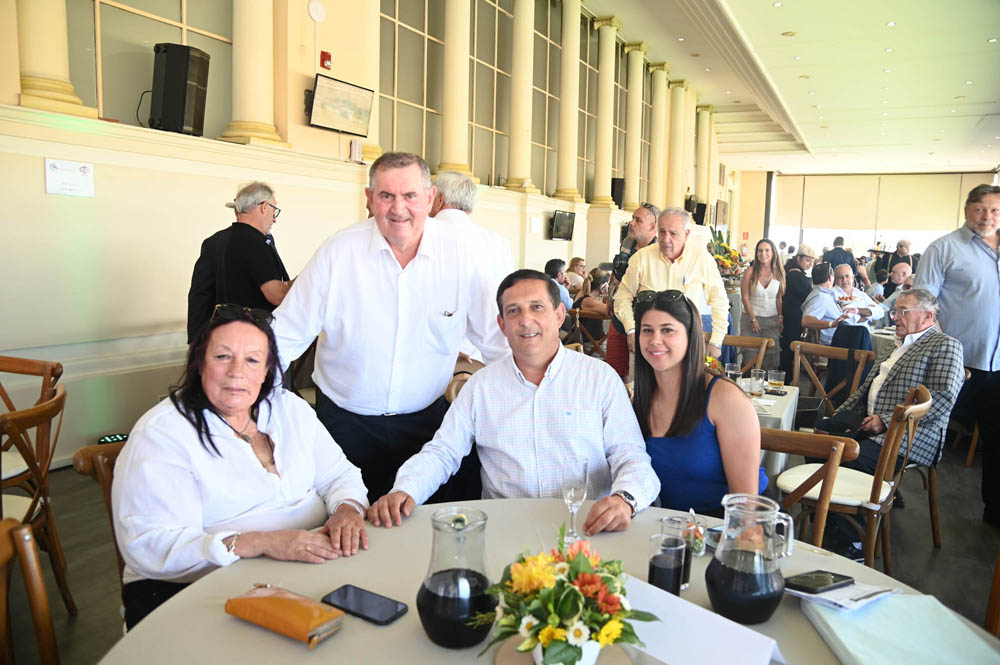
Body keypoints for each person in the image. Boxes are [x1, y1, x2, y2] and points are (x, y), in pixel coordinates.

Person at [112, 305, 369, 629]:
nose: (237, 372)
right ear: (199, 363)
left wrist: (347, 510)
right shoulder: (163, 434)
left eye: (252, 360)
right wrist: (262, 541)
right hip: (194, 588)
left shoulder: (289, 409)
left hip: (306, 571)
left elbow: (339, 475)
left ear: (267, 370)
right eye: (223, 357)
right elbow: (150, 545)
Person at [271, 152, 507, 503]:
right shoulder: (339, 252)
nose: (399, 208)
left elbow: (497, 341)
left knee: (425, 526)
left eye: (410, 195)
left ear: (430, 198)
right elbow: (285, 336)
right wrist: (253, 406)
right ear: (369, 199)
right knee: (348, 526)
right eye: (386, 196)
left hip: (428, 430)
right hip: (343, 427)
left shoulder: (460, 255)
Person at [367, 270, 660, 535]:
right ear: (502, 324)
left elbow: (630, 455)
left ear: (559, 315)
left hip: (586, 530)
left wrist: (625, 499)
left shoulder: (599, 379)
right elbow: (443, 452)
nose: (525, 320)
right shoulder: (481, 387)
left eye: (537, 307)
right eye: (513, 311)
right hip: (505, 532)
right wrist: (405, 490)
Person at [814, 290, 964, 554]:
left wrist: (885, 422)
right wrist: (837, 417)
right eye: (895, 311)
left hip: (910, 434)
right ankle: (829, 518)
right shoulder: (896, 344)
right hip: (868, 422)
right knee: (814, 440)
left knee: (846, 458)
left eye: (903, 312)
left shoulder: (945, 345)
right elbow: (864, 391)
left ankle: (853, 540)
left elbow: (942, 400)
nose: (894, 317)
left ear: (927, 316)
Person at [631, 290, 764, 516]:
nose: (655, 340)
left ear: (691, 336)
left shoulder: (725, 399)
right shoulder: (640, 400)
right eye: (647, 330)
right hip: (671, 526)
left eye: (667, 330)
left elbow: (745, 505)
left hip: (730, 524)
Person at [914, 184, 1000, 525]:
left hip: (997, 366)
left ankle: (995, 512)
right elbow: (922, 307)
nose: (987, 217)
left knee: (997, 442)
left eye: (995, 210)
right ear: (966, 211)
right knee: (916, 429)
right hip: (956, 364)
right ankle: (881, 491)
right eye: (980, 209)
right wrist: (939, 352)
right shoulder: (944, 248)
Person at [614, 207, 729, 360]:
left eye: (673, 233)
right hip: (648, 345)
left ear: (686, 234)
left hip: (687, 344)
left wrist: (716, 341)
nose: (666, 239)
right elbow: (622, 297)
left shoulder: (702, 259)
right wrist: (631, 329)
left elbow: (719, 301)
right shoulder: (641, 258)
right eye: (662, 232)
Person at [186, 182, 291, 343]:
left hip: (262, 330)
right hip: (244, 333)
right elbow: (200, 293)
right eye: (273, 211)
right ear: (264, 207)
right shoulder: (217, 242)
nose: (274, 219)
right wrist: (195, 340)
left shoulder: (264, 240)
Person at [430, 170, 515, 359]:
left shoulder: (424, 235)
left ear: (439, 199)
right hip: (496, 352)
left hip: (443, 355)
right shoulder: (498, 242)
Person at [606, 203, 660, 378]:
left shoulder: (660, 251)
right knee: (613, 370)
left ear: (652, 226)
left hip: (646, 318)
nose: (631, 223)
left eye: (638, 220)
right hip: (620, 314)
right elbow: (617, 273)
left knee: (645, 374)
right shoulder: (627, 243)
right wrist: (611, 298)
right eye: (632, 219)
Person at [739, 239, 785, 370]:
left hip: (771, 320)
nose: (763, 254)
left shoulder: (779, 273)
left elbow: (778, 298)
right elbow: (745, 297)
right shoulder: (750, 271)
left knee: (770, 359)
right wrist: (753, 319)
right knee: (749, 357)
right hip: (750, 320)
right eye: (760, 250)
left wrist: (780, 318)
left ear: (773, 252)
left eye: (767, 250)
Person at [779, 245, 817, 373]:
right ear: (799, 258)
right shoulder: (795, 274)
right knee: (789, 347)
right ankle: (786, 376)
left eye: (812, 261)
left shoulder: (794, 271)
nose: (810, 264)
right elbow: (807, 294)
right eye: (807, 260)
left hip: (791, 314)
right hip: (792, 316)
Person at [801, 262, 850, 345]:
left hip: (839, 340)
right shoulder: (820, 297)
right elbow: (806, 321)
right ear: (830, 278)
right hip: (831, 345)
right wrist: (831, 324)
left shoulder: (824, 295)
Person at [832, 264, 884, 330]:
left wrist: (857, 311)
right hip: (843, 333)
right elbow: (843, 318)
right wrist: (866, 314)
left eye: (847, 276)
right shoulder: (832, 294)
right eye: (840, 277)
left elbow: (880, 312)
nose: (844, 279)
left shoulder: (860, 294)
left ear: (853, 278)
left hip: (865, 332)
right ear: (834, 279)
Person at [574, 269, 611, 353]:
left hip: (590, 343)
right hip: (594, 346)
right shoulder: (588, 301)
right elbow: (611, 311)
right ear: (602, 286)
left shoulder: (581, 295)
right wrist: (608, 296)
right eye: (608, 284)